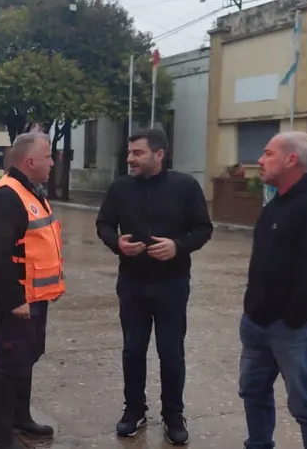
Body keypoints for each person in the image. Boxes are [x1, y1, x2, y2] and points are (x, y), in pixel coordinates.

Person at [95, 128, 213, 445]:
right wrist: (117, 243)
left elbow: (203, 228)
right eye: (129, 152)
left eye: (138, 153)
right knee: (133, 350)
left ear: (159, 154)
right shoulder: (120, 188)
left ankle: (173, 414)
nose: (130, 158)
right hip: (132, 283)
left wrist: (178, 246)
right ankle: (134, 410)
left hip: (172, 284)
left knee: (171, 352)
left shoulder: (185, 187)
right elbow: (103, 224)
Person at [239, 131, 307, 449]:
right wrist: (253, 309)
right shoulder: (275, 204)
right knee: (253, 391)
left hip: (299, 327)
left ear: (292, 159)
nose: (260, 160)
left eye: (268, 153)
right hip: (258, 322)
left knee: (306, 406)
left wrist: (293, 319)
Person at [0, 131, 65, 449]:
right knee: (8, 366)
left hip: (34, 297)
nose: (52, 162)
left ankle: (20, 418)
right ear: (30, 161)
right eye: (48, 157)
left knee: (25, 359)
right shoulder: (7, 196)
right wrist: (15, 299)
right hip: (15, 300)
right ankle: (2, 437)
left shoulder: (31, 192)